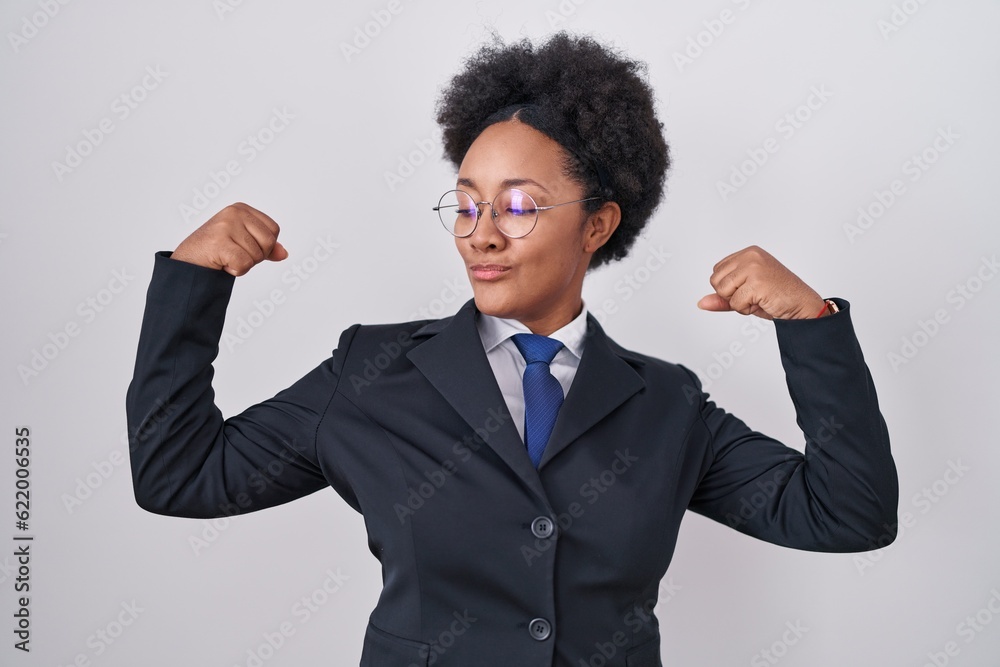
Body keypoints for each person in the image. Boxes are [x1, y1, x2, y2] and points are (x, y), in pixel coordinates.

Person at [126, 32, 898, 667]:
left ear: (596, 225)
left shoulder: (666, 403)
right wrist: (193, 285)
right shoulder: (371, 374)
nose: (482, 232)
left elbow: (849, 513)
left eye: (520, 206)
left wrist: (811, 324)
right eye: (466, 204)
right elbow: (178, 474)